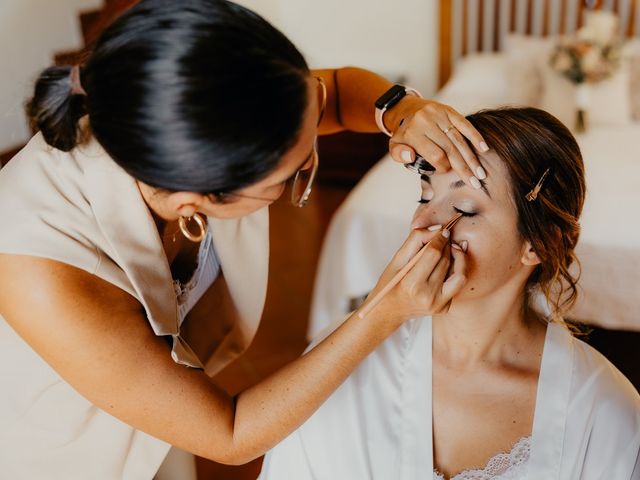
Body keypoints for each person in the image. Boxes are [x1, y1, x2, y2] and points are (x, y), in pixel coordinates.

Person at [0, 1, 489, 478]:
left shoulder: (218, 109)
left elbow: (333, 93)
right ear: (193, 202)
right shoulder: (43, 271)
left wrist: (400, 110)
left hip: (167, 415)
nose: (311, 156)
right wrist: (384, 308)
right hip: (68, 449)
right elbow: (228, 434)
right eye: (292, 176)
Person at [259, 107, 640, 480]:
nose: (422, 224)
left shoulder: (606, 416)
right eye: (425, 197)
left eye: (464, 208)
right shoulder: (342, 368)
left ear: (538, 244)